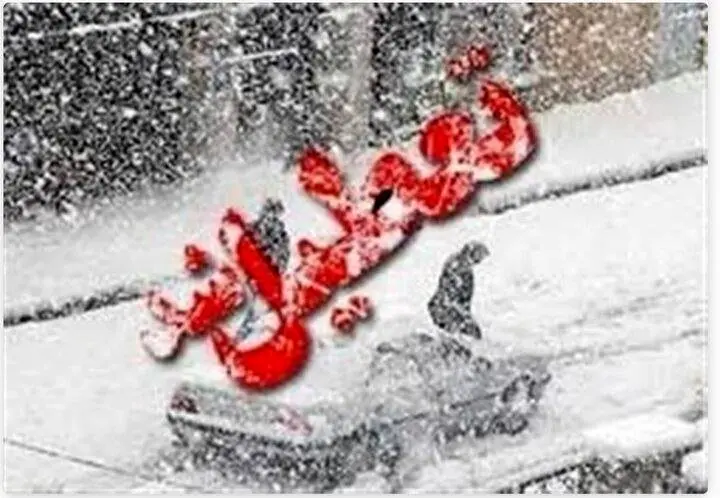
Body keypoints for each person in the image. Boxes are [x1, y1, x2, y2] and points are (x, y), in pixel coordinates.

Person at [236, 198, 290, 340]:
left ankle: (244, 336)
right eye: (268, 211)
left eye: (273, 212)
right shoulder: (252, 230)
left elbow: (283, 258)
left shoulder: (279, 235)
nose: (269, 215)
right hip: (250, 276)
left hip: (262, 279)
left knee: (256, 311)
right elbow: (240, 249)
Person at [427, 241, 489, 339]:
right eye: (479, 256)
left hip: (446, 307)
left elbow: (463, 298)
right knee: (468, 332)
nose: (479, 261)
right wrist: (464, 315)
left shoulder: (462, 266)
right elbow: (450, 293)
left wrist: (466, 315)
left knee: (471, 331)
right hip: (444, 307)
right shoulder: (458, 266)